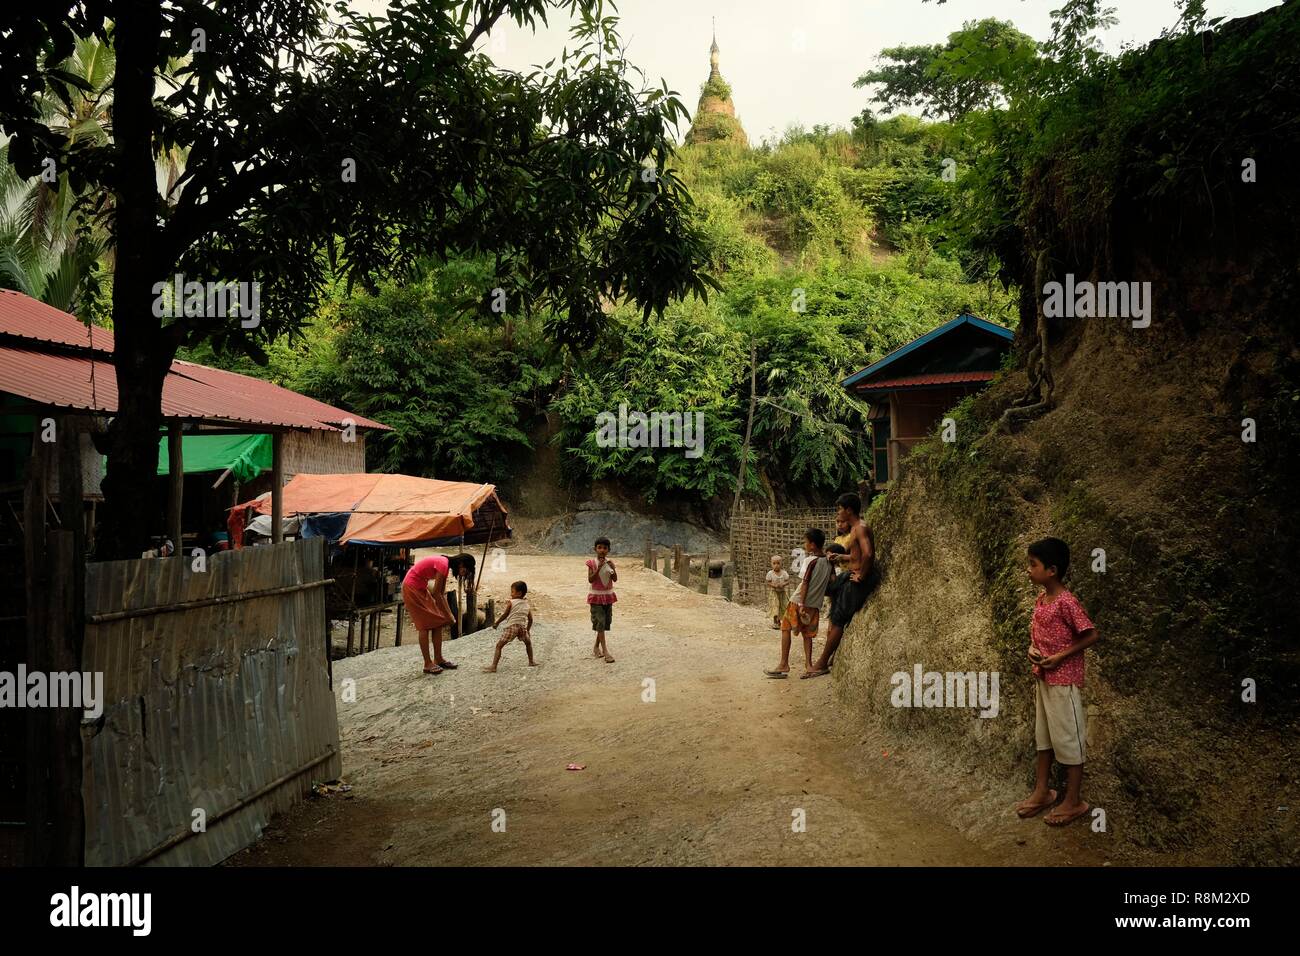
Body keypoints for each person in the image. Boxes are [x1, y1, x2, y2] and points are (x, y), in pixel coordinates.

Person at [1015, 537, 1100, 827]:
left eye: (1032, 564)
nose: (1028, 569)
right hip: (1044, 678)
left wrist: (1061, 656)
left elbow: (1090, 635)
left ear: (1051, 570)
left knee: (1069, 740)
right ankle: (1043, 791)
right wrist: (1032, 648)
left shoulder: (1066, 601)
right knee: (1044, 737)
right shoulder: (1042, 600)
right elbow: (1038, 632)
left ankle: (1074, 800)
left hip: (1063, 682)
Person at [804, 493, 876, 679]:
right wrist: (841, 557)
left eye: (839, 509)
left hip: (859, 578)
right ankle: (828, 656)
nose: (838, 513)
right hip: (850, 573)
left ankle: (821, 663)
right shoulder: (854, 529)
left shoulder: (860, 528)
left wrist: (862, 574)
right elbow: (856, 555)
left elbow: (867, 554)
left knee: (838, 618)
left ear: (849, 510)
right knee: (832, 590)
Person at [765, 529, 831, 679]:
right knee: (807, 634)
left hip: (798, 601)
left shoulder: (810, 561)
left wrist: (801, 603)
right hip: (815, 605)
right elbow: (830, 582)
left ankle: (783, 664)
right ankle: (809, 665)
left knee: (785, 628)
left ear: (812, 545)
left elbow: (805, 582)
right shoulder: (828, 562)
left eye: (806, 542)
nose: (804, 545)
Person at [402, 553, 457, 675]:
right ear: (462, 565)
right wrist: (450, 616)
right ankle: (427, 663)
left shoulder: (445, 566)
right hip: (412, 588)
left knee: (438, 623)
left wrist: (448, 615)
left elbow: (441, 594)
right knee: (424, 626)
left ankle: (438, 658)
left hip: (421, 589)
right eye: (466, 570)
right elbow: (437, 593)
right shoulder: (443, 564)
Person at [484, 580, 537, 672]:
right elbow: (531, 620)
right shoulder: (527, 605)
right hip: (522, 627)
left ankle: (494, 666)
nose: (511, 594)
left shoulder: (511, 602)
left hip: (512, 627)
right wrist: (527, 630)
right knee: (528, 643)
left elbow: (505, 615)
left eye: (512, 591)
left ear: (519, 593)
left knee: (499, 646)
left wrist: (497, 623)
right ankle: (531, 661)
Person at [587, 537, 617, 663]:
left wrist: (613, 568)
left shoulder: (610, 563)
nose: (602, 550)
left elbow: (614, 579)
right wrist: (598, 568)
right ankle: (605, 651)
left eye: (605, 548)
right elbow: (590, 579)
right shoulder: (591, 563)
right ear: (595, 549)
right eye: (599, 547)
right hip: (596, 597)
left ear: (608, 550)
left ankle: (596, 647)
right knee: (600, 621)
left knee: (604, 623)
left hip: (608, 596)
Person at [765, 555, 790, 629]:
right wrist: (774, 585)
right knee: (775, 606)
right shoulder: (770, 573)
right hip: (774, 593)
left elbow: (788, 581)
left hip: (782, 593)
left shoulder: (784, 573)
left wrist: (783, 584)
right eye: (774, 563)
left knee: (783, 606)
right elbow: (768, 582)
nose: (776, 565)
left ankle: (781, 621)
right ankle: (775, 622)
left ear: (781, 564)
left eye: (778, 563)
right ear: (771, 564)